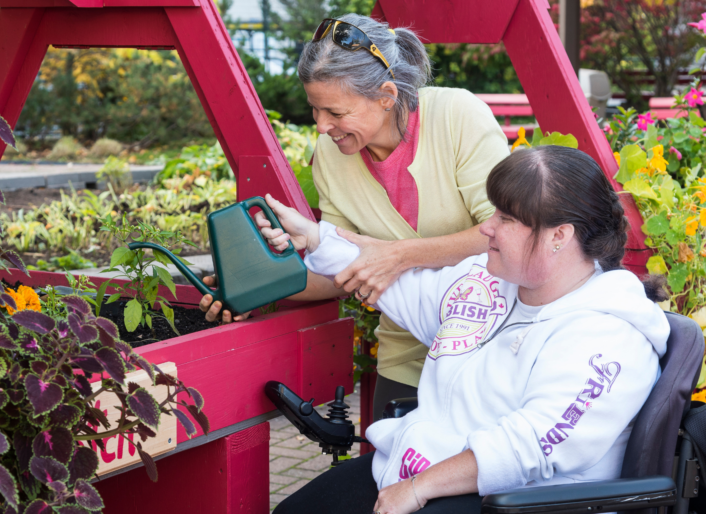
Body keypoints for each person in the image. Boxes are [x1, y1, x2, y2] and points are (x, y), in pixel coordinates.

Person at [261, 145, 670, 514]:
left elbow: (525, 448)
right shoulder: (491, 282)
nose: (487, 228)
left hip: (515, 500)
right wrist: (315, 238)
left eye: (506, 218)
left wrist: (418, 488)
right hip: (412, 469)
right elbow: (402, 286)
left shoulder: (609, 336)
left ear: (559, 236)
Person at [200, 14, 510, 417]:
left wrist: (397, 256)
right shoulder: (331, 156)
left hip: (491, 347)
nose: (322, 126)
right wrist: (251, 287)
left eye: (336, 112)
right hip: (408, 355)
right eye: (315, 110)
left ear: (386, 95)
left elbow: (505, 231)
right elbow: (341, 272)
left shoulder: (457, 116)